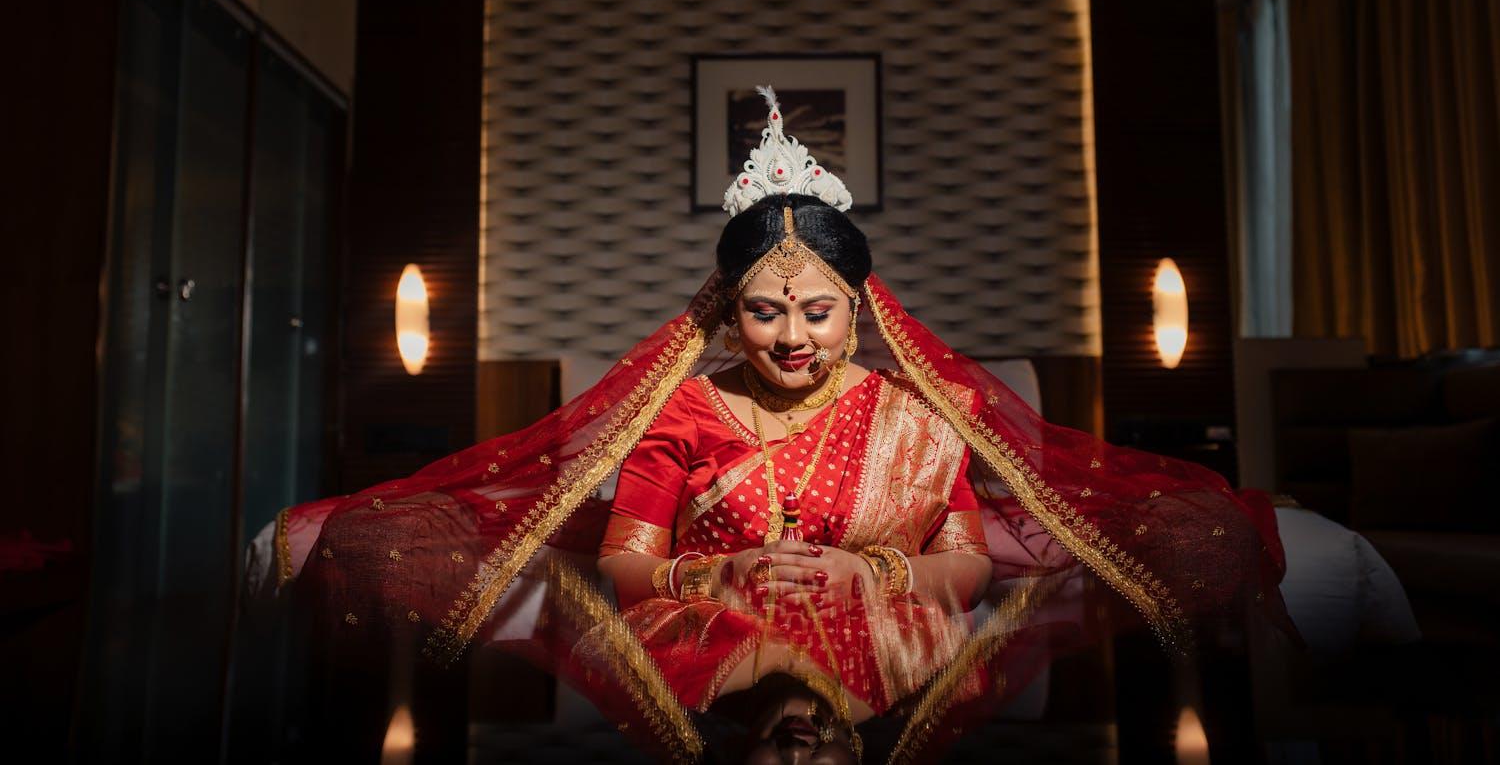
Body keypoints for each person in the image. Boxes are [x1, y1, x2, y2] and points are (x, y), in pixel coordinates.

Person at [258, 88, 1289, 763]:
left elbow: (968, 565)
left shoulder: (912, 412)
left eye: (817, 311)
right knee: (381, 546)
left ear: (859, 310)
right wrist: (724, 577)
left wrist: (868, 574)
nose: (793, 336)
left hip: (888, 623)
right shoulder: (684, 405)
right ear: (728, 313)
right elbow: (626, 566)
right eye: (764, 310)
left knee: (1202, 538)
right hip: (701, 631)